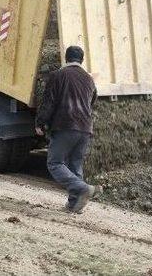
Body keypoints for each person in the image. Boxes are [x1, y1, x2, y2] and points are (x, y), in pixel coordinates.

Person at [35, 45, 101, 213]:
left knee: (55, 163)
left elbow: (49, 102)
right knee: (75, 165)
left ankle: (83, 187)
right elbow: (92, 101)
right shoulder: (89, 79)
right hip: (85, 127)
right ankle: (74, 205)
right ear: (82, 60)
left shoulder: (59, 75)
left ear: (66, 58)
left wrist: (40, 123)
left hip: (66, 125)